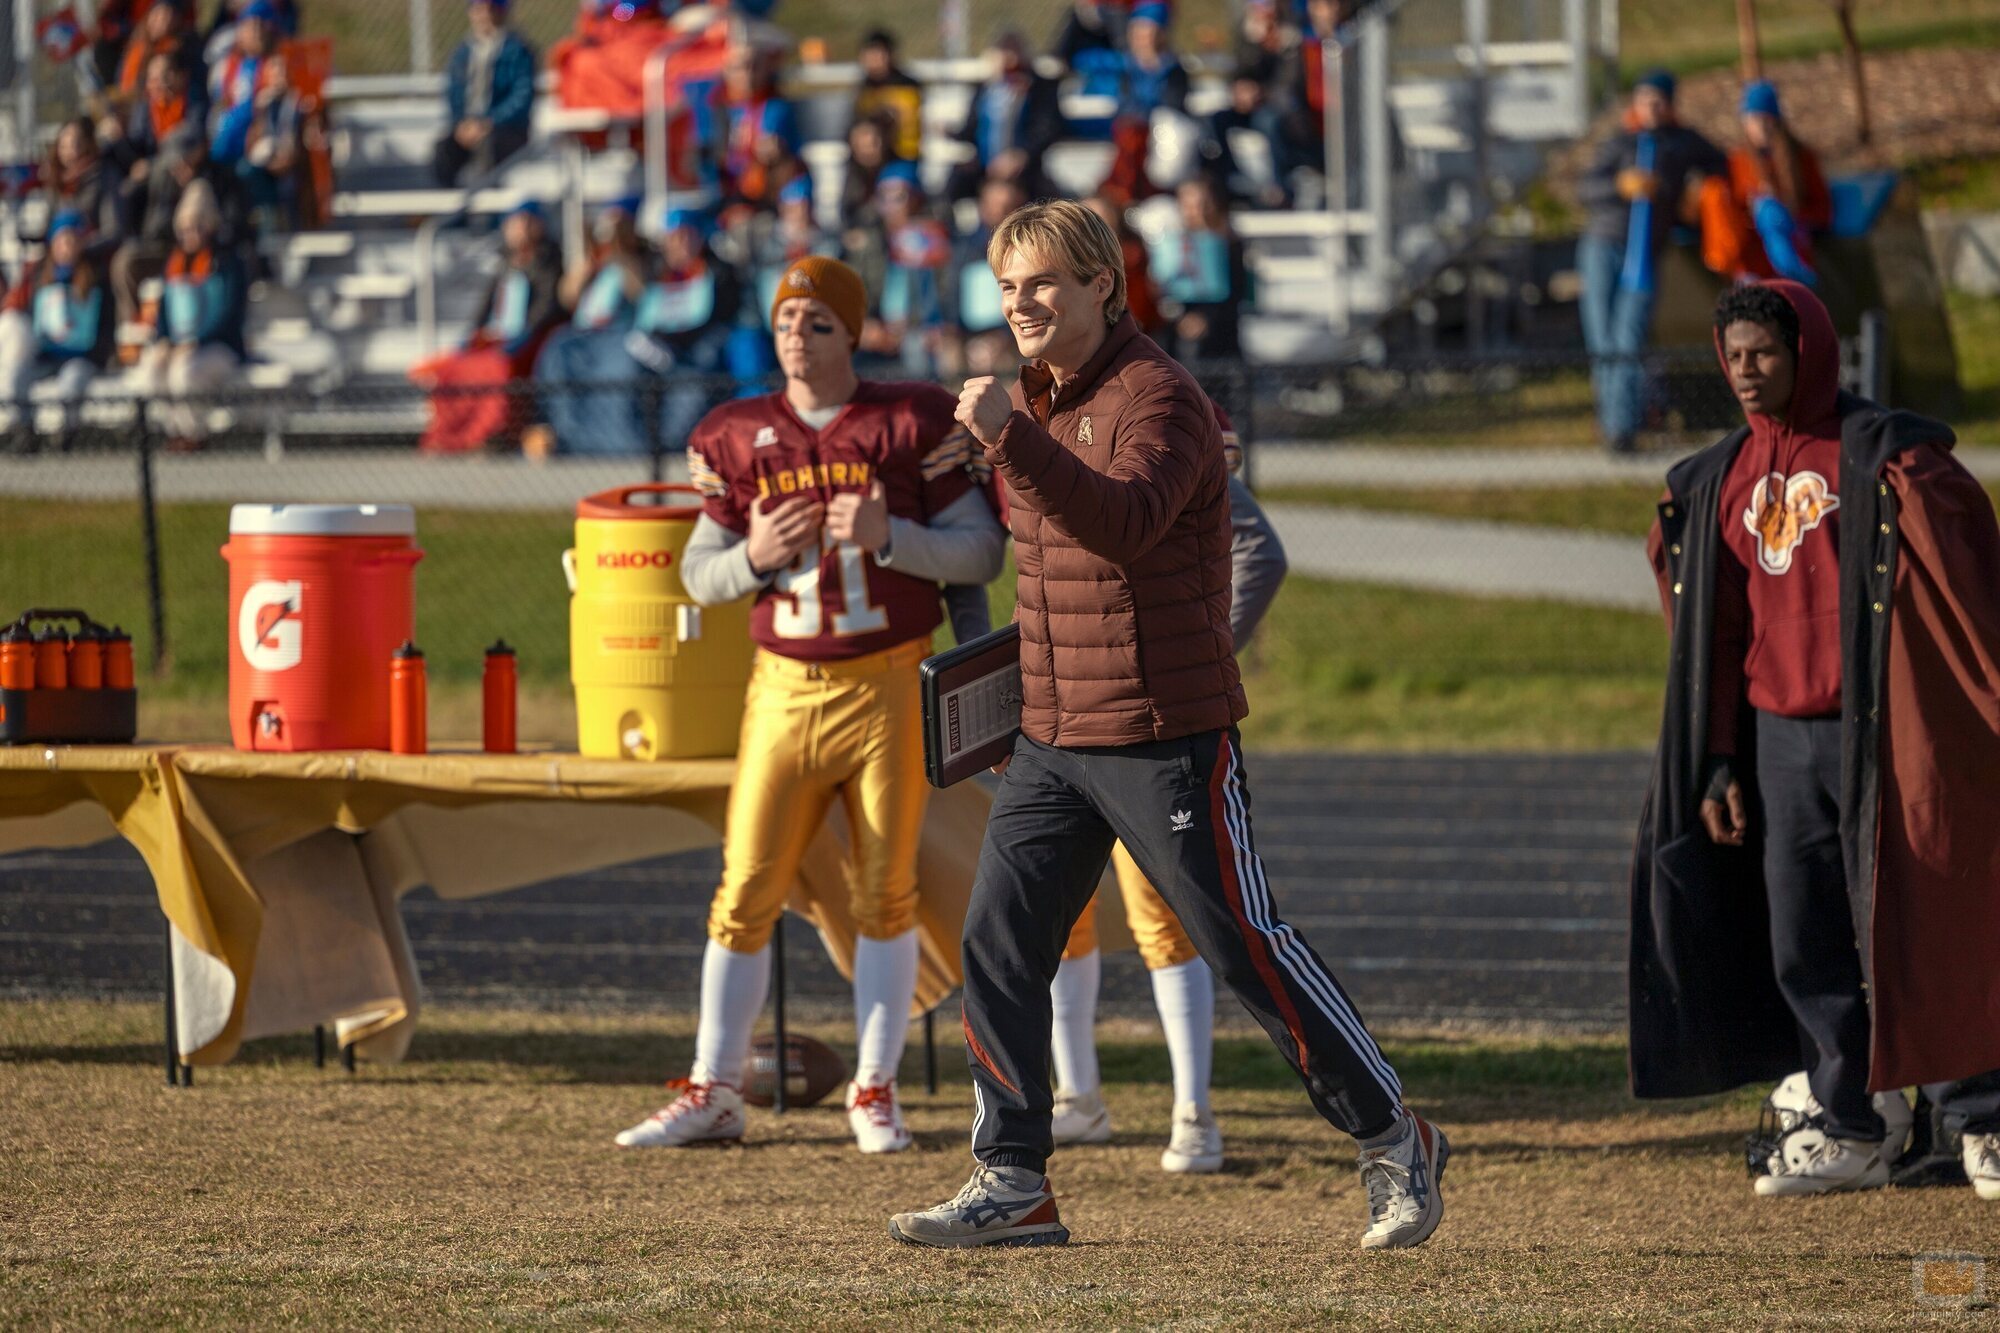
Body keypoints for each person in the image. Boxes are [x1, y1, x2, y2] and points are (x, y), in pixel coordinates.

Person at [888, 200, 1448, 1251]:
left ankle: (1391, 1133)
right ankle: (1012, 1177)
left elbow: (1125, 526)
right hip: (1051, 735)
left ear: (1104, 283)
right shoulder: (1044, 399)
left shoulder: (1161, 397)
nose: (1020, 304)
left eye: (1043, 282)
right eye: (1007, 288)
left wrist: (1008, 436)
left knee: (1243, 949)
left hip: (1162, 732)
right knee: (996, 940)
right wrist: (993, 450)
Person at [613, 255, 1006, 1156]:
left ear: (852, 334)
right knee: (743, 887)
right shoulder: (735, 433)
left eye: (818, 321)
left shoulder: (908, 420)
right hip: (782, 689)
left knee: (886, 892)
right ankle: (714, 1089)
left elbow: (982, 551)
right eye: (787, 319)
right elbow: (699, 575)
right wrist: (750, 556)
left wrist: (892, 538)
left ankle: (874, 1089)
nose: (797, 333)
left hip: (885, 683)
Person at [1629, 280, 2000, 1203]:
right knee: (1807, 938)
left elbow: (1966, 600)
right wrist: (1717, 758)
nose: (1747, 374)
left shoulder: (1885, 460)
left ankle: (1978, 1114)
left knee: (1921, 922)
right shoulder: (1721, 479)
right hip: (1777, 741)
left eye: (1763, 354)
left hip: (1884, 737)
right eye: (1734, 358)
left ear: (1809, 352)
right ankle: (1854, 1120)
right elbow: (1712, 635)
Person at [972, 402, 1288, 1175]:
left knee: (1171, 913)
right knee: (1053, 917)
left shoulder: (1151, 411)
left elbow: (1258, 549)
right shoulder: (1027, 419)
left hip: (1141, 715)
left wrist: (1202, 640)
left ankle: (1194, 1109)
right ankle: (1079, 1094)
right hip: (1058, 714)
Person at [1574, 69, 1725, 453]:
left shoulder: (1683, 144)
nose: (1651, 108)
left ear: (1671, 105)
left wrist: (1695, 197)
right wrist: (1618, 185)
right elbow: (1585, 187)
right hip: (1602, 245)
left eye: (1658, 100)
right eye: (1644, 99)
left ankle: (1621, 430)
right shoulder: (1620, 143)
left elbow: (1721, 166)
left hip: (1644, 257)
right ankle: (1611, 422)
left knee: (1629, 336)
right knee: (1602, 337)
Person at [413, 199, 565, 454]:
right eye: (515, 223)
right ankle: (449, 438)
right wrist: (473, 336)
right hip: (495, 338)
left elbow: (546, 309)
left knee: (496, 367)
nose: (520, 230)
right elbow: (484, 312)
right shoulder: (504, 266)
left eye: (527, 223)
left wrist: (520, 336)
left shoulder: (549, 263)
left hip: (525, 340)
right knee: (450, 369)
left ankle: (490, 435)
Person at [533, 201, 650, 455]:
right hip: (584, 338)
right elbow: (567, 297)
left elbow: (640, 292)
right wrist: (588, 260)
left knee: (619, 372)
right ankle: (564, 432)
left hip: (618, 338)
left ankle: (618, 442)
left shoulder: (637, 261)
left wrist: (620, 255)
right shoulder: (596, 266)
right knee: (555, 350)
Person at [138, 179, 246, 450]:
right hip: (179, 346)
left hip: (218, 346)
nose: (190, 234)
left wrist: (196, 341)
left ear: (209, 226)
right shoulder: (173, 264)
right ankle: (171, 429)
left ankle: (193, 434)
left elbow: (228, 312)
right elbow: (163, 311)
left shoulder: (226, 263)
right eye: (185, 228)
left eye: (197, 226)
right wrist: (163, 339)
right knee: (152, 368)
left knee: (184, 372)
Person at [1698, 80, 1832, 287]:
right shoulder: (1736, 163)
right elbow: (1729, 216)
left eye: (1765, 119)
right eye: (1752, 119)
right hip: (1752, 263)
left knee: (1772, 211)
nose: (1760, 127)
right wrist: (1754, 210)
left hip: (1793, 247)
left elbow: (1822, 210)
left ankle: (1795, 275)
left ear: (1777, 121)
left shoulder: (1801, 158)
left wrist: (1790, 211)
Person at [0, 211, 113, 453]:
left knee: (71, 383)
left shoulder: (97, 277)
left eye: (73, 240)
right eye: (61, 240)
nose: (67, 247)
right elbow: (33, 317)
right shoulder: (41, 277)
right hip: (48, 354)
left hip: (81, 356)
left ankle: (66, 436)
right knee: (17, 376)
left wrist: (94, 352)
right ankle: (25, 433)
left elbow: (105, 326)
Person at [945, 31, 1066, 206]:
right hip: (986, 165)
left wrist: (1021, 155)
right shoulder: (986, 89)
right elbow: (972, 128)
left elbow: (1048, 128)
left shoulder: (1039, 88)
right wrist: (952, 132)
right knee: (953, 185)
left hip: (1024, 166)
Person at [435, 0, 538, 187]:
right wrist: (462, 124)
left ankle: (492, 212)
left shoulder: (517, 50)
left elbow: (521, 96)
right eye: (479, 9)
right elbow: (453, 92)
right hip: (469, 127)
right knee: (444, 151)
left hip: (506, 129)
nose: (485, 15)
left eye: (491, 9)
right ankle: (453, 212)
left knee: (489, 148)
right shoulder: (462, 52)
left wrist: (488, 121)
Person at [1151, 175, 1246, 364]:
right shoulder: (1169, 243)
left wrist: (1206, 318)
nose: (1196, 211)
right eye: (1188, 204)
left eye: (1202, 203)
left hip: (1219, 334)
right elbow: (1163, 288)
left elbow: (1235, 290)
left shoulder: (1228, 243)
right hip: (1177, 331)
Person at [851, 29, 922, 164]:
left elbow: (908, 129)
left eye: (877, 53)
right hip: (865, 162)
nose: (873, 59)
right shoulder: (864, 88)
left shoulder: (906, 87)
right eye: (869, 54)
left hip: (901, 157)